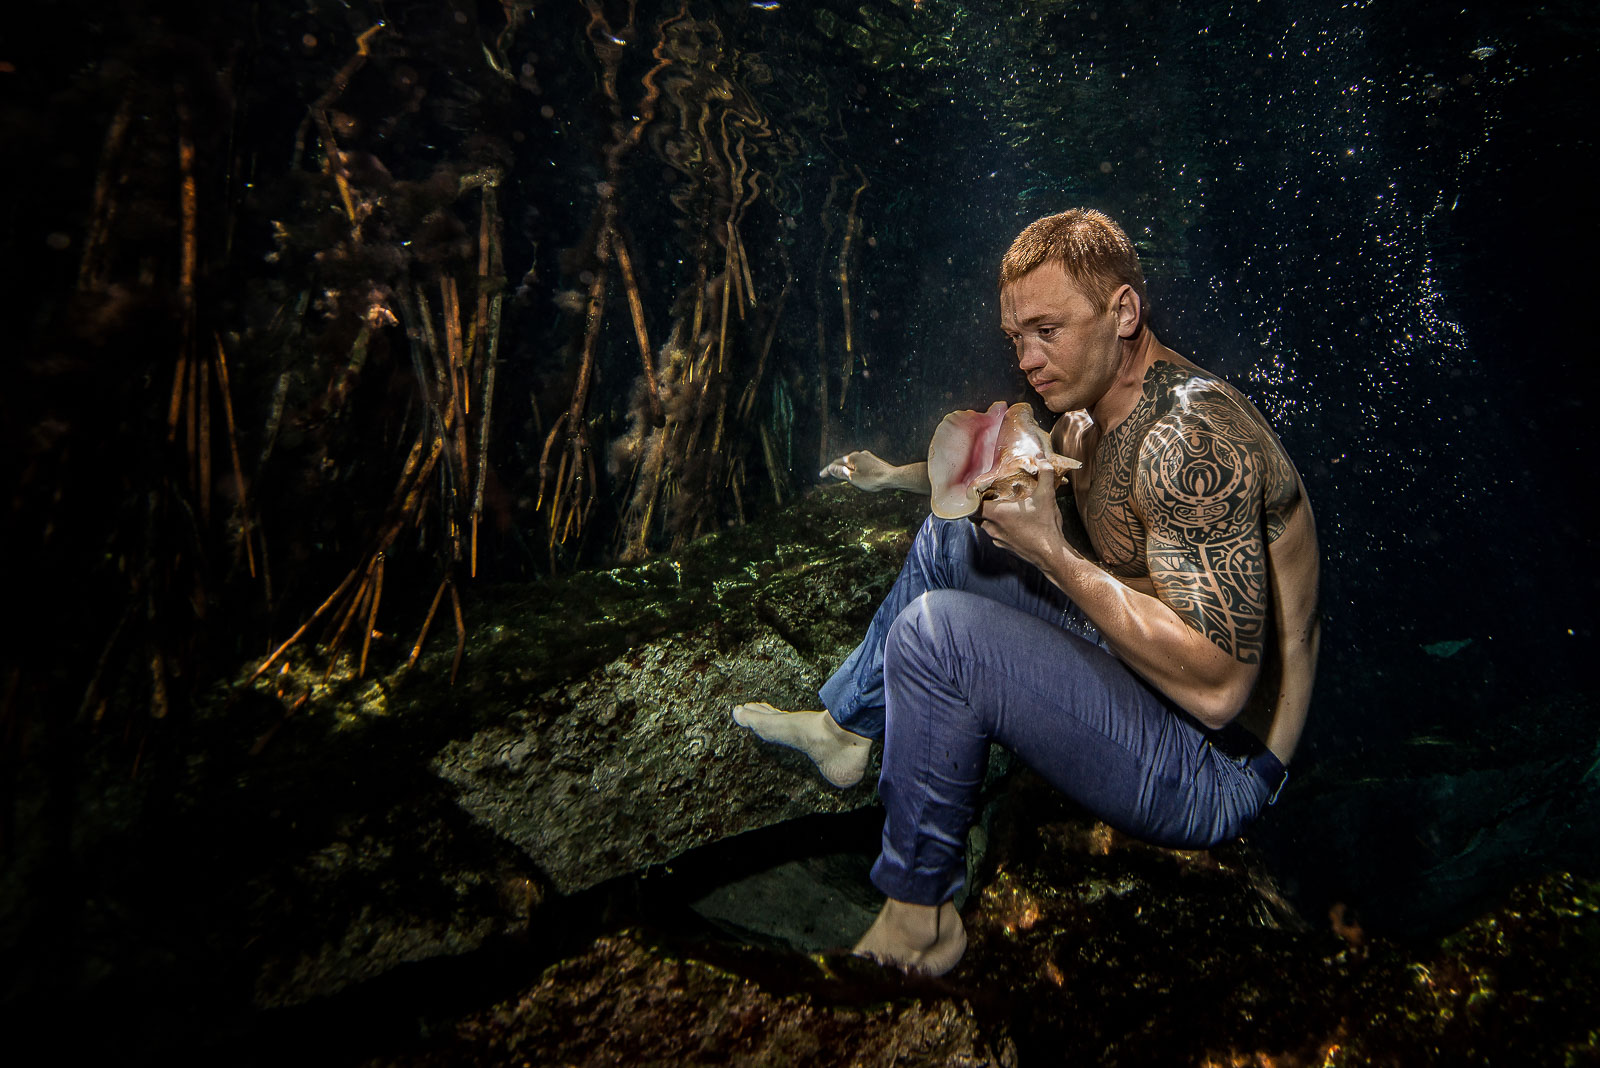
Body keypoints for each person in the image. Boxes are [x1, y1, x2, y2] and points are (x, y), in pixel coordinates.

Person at [732, 208, 1320, 977]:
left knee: (937, 636)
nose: (1028, 360)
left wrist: (1050, 551)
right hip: (1151, 686)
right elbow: (980, 483)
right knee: (956, 535)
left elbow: (1217, 689)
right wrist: (893, 475)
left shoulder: (1187, 443)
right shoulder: (1096, 411)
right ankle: (849, 729)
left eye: (1048, 329)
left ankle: (920, 920)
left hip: (1216, 764)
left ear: (1124, 311)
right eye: (1017, 339)